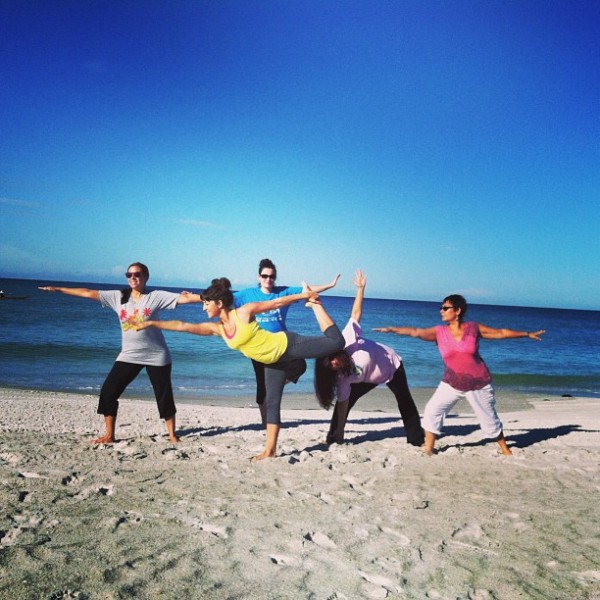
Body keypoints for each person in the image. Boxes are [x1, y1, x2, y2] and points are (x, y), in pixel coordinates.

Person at [136, 277, 345, 460]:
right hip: (271, 361)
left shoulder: (244, 312)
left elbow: (276, 302)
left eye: (206, 304)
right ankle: (269, 451)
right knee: (271, 402)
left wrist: (305, 296)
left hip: (287, 345)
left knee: (337, 343)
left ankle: (316, 306)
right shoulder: (217, 328)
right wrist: (152, 323)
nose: (203, 308)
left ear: (219, 303)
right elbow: (183, 325)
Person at [39, 262, 202, 444]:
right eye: (129, 274)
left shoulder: (155, 297)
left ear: (146, 276)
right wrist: (58, 289)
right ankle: (109, 435)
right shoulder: (118, 297)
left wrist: (208, 298)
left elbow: (185, 299)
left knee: (163, 395)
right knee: (108, 392)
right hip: (129, 355)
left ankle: (172, 435)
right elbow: (88, 292)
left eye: (137, 274)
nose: (133, 277)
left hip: (156, 355)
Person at [375, 294, 545, 456]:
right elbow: (415, 331)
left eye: (445, 307)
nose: (441, 310)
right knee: (432, 411)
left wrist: (527, 334)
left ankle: (505, 449)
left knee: (489, 420)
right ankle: (429, 448)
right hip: (451, 382)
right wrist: (392, 329)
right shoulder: (439, 332)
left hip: (477, 383)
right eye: (441, 308)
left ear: (457, 311)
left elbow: (500, 333)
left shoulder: (473, 328)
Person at [315, 270, 425, 447]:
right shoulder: (342, 377)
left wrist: (360, 289)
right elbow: (343, 404)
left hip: (391, 365)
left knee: (404, 400)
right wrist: (341, 435)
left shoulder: (348, 340)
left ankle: (416, 439)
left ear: (335, 350)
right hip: (367, 377)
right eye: (329, 366)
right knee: (345, 401)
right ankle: (334, 436)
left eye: (332, 359)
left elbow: (356, 313)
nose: (333, 364)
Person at [234, 258, 340, 423]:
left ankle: (274, 385)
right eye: (265, 276)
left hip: (281, 345)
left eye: (272, 276)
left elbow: (307, 290)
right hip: (259, 347)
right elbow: (221, 299)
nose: (268, 279)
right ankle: (265, 421)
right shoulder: (246, 295)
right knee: (261, 385)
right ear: (258, 277)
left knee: (300, 365)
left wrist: (329, 285)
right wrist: (198, 298)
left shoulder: (283, 292)